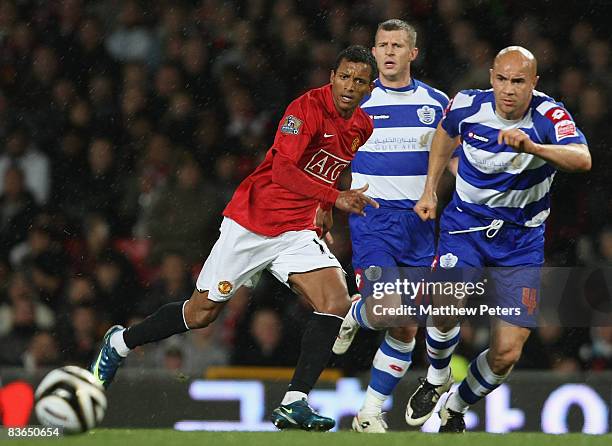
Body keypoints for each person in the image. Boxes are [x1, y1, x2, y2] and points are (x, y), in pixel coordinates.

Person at [89, 45, 379, 432]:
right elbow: (283, 171)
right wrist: (334, 198)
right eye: (344, 76)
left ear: (369, 88)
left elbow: (329, 169)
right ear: (332, 76)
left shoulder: (362, 126)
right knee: (200, 314)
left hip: (295, 231)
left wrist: (323, 206)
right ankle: (120, 343)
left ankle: (295, 401)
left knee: (336, 300)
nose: (349, 85)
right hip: (253, 223)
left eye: (359, 81)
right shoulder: (305, 109)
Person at [408, 46, 590, 432]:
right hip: (466, 226)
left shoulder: (548, 115)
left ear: (534, 83)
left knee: (507, 352)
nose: (508, 89)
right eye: (502, 79)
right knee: (445, 306)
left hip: (521, 242)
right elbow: (444, 135)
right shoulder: (467, 105)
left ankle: (455, 407)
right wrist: (430, 190)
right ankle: (437, 376)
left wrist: (533, 147)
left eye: (519, 81)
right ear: (491, 77)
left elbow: (582, 158)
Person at [330, 19, 457, 433]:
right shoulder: (355, 101)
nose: (388, 52)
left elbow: (453, 161)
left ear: (411, 53)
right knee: (387, 311)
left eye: (397, 45)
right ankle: (357, 310)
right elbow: (332, 156)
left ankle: (369, 413)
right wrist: (323, 206)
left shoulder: (437, 103)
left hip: (420, 224)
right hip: (373, 220)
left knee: (407, 325)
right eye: (382, 44)